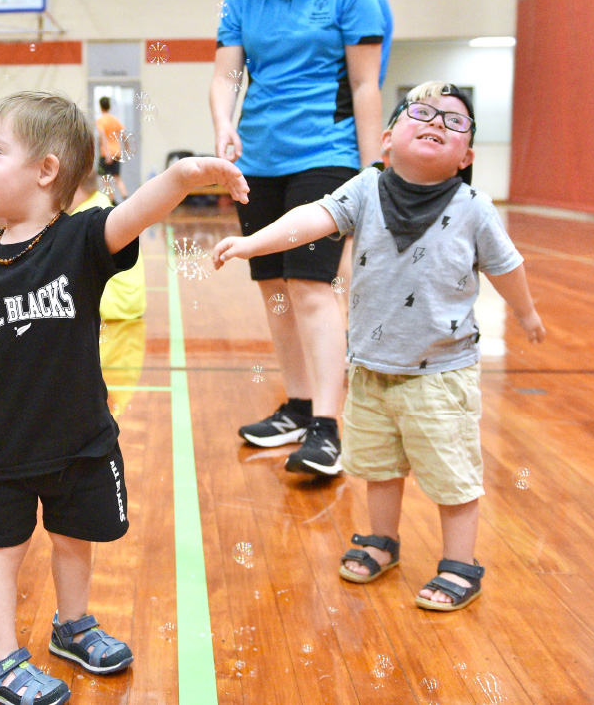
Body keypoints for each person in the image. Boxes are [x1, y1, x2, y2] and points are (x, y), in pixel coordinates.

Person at [0, 91, 247, 705]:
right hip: (1, 444)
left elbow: (136, 214)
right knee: (3, 549)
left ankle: (71, 625)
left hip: (78, 435)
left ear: (46, 170)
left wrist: (184, 175)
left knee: (76, 535)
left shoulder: (79, 242)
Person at [212, 82, 545, 611]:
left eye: (455, 121)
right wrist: (255, 242)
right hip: (368, 369)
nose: (437, 121)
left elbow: (506, 266)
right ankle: (382, 540)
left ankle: (461, 562)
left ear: (467, 157)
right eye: (422, 112)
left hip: (440, 373)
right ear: (388, 140)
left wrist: (525, 313)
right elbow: (311, 219)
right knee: (378, 466)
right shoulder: (365, 188)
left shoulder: (474, 207)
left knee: (451, 472)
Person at [210, 0, 384, 475]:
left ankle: (328, 428)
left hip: (326, 155)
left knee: (310, 287)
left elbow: (364, 85)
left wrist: (374, 173)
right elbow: (226, 75)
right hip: (258, 159)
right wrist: (224, 125)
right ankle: (299, 405)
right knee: (275, 290)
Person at [332, 0, 395, 320]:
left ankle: (350, 329)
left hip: (347, 132)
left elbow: (367, 81)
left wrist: (369, 159)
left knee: (347, 240)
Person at [69, 168, 146, 320]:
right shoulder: (101, 203)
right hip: (131, 304)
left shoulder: (83, 219)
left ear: (74, 186)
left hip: (112, 308)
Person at [94, 97, 128, 202]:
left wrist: (107, 153)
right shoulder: (115, 119)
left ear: (100, 106)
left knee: (105, 178)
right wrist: (127, 146)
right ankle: (125, 196)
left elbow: (103, 136)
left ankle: (113, 201)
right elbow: (124, 134)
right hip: (116, 151)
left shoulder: (101, 120)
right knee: (117, 177)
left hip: (106, 153)